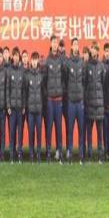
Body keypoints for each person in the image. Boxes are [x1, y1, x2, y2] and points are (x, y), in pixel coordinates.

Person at [43, 35, 65, 164]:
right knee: (49, 126)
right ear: (51, 44)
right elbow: (44, 80)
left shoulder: (61, 60)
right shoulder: (47, 61)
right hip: (50, 100)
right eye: (53, 42)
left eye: (57, 42)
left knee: (58, 126)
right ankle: (48, 152)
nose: (55, 45)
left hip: (59, 99)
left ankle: (59, 151)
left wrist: (61, 91)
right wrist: (47, 94)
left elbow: (64, 78)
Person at [84, 42, 106, 164]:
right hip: (90, 104)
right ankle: (89, 154)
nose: (93, 51)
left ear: (97, 51)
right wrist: (87, 101)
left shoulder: (102, 66)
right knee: (89, 131)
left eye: (95, 49)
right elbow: (85, 84)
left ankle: (100, 155)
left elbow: (104, 83)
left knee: (100, 132)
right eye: (92, 49)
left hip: (99, 105)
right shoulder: (87, 66)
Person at [65, 38, 85, 164]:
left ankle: (81, 154)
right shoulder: (68, 63)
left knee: (81, 129)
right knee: (70, 129)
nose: (76, 46)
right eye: (74, 45)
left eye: (77, 44)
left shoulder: (82, 63)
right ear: (71, 47)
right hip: (71, 102)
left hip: (80, 102)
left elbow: (84, 81)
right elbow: (65, 79)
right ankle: (70, 152)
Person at [24, 52, 43, 164]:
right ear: (31, 61)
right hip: (30, 110)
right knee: (31, 132)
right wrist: (27, 106)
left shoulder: (41, 75)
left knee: (39, 132)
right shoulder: (27, 76)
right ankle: (31, 153)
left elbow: (43, 92)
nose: (34, 62)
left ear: (38, 61)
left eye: (36, 60)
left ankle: (38, 153)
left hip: (39, 110)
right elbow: (25, 92)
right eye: (33, 60)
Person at [7, 47, 25, 164]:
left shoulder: (22, 71)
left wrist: (24, 106)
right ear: (12, 57)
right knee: (12, 132)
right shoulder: (9, 71)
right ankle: (11, 154)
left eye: (17, 56)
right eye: (14, 56)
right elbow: (7, 89)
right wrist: (8, 106)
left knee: (20, 132)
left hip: (20, 108)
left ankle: (19, 154)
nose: (16, 57)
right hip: (12, 109)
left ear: (19, 57)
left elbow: (24, 91)